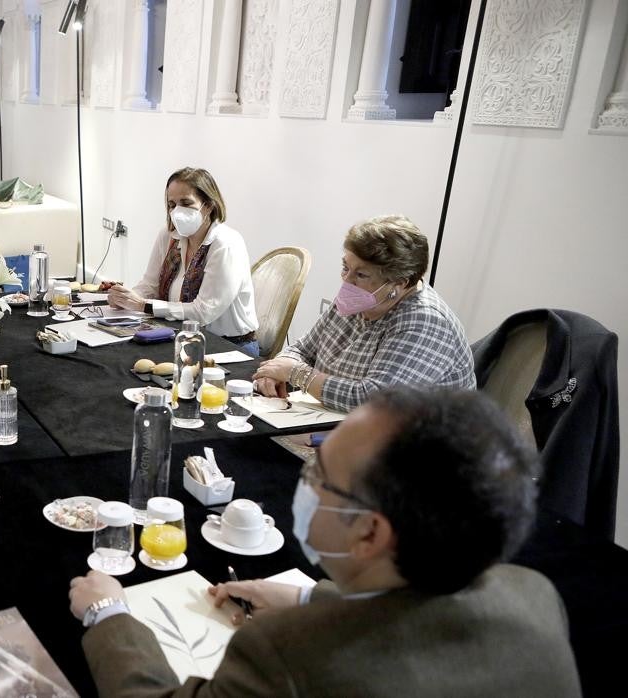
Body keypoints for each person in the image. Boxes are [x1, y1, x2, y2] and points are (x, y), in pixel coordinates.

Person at [68, 387, 581, 697]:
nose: (305, 483)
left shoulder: (287, 658)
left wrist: (108, 615)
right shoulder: (532, 594)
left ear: (370, 532)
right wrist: (308, 595)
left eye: (319, 473)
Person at [253, 215, 475, 411]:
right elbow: (303, 350)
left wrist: (296, 374)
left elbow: (373, 401)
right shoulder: (357, 298)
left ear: (399, 283)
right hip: (341, 423)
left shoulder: (425, 322)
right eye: (345, 267)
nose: (347, 281)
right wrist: (274, 372)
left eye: (361, 274)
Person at [104, 168, 260, 356]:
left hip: (229, 348)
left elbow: (203, 312)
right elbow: (150, 285)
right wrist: (125, 298)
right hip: (179, 336)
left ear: (209, 205)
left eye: (186, 203)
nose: (177, 211)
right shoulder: (169, 235)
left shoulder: (226, 244)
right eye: (172, 205)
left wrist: (143, 305)